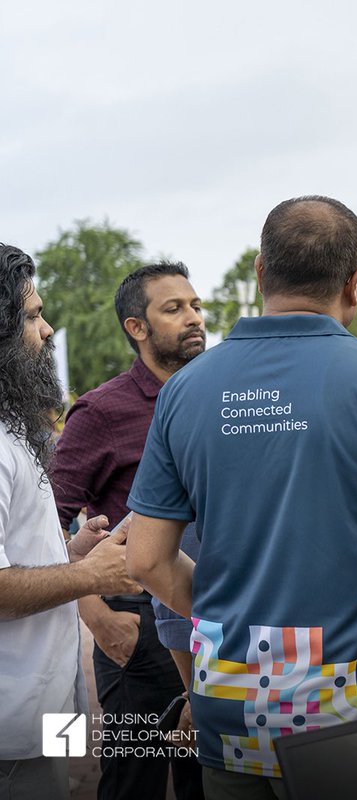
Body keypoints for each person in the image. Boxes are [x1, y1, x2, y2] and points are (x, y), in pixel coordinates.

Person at [125, 196, 357, 799]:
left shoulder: (184, 390)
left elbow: (145, 560)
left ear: (261, 272)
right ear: (354, 283)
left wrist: (220, 617)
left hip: (231, 704)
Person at [52, 262, 206, 800]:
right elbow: (44, 523)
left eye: (195, 306)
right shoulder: (99, 412)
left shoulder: (221, 398)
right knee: (130, 782)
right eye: (174, 309)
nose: (193, 318)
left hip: (210, 623)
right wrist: (96, 616)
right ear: (136, 327)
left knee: (206, 779)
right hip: (135, 636)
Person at [0, 243, 141, 800]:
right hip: (12, 737)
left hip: (50, 706)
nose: (48, 329)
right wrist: (89, 578)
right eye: (32, 316)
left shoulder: (15, 428)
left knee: (71, 785)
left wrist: (72, 553)